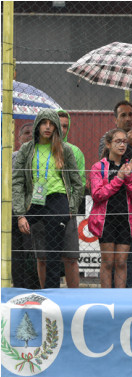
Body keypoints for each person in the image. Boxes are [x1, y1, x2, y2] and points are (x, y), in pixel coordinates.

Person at [12, 109, 83, 288]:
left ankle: (52, 294)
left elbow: (77, 182)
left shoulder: (64, 149)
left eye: (52, 124)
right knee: (17, 233)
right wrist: (20, 214)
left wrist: (71, 208)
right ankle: (20, 285)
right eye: (44, 123)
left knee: (53, 251)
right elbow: (18, 181)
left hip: (58, 200)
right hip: (34, 200)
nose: (48, 127)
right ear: (37, 125)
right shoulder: (27, 149)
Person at [99, 100, 132, 288]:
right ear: (115, 120)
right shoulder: (106, 140)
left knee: (129, 256)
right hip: (110, 206)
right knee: (109, 259)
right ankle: (108, 295)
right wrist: (127, 144)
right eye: (123, 115)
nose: (128, 118)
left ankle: (125, 293)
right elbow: (104, 163)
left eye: (131, 114)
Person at [88, 129, 132, 288]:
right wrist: (118, 178)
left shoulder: (131, 168)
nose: (121, 145)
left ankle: (119, 300)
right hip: (106, 221)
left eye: (124, 141)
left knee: (121, 262)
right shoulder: (99, 167)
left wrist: (128, 178)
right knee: (107, 262)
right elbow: (97, 195)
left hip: (125, 220)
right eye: (117, 141)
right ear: (108, 144)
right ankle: (106, 299)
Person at [11, 121, 39, 289]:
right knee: (17, 251)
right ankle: (18, 286)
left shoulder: (42, 156)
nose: (29, 135)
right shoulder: (12, 157)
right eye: (26, 132)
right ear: (19, 138)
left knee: (33, 250)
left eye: (32, 132)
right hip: (15, 209)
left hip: (35, 208)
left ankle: (34, 286)